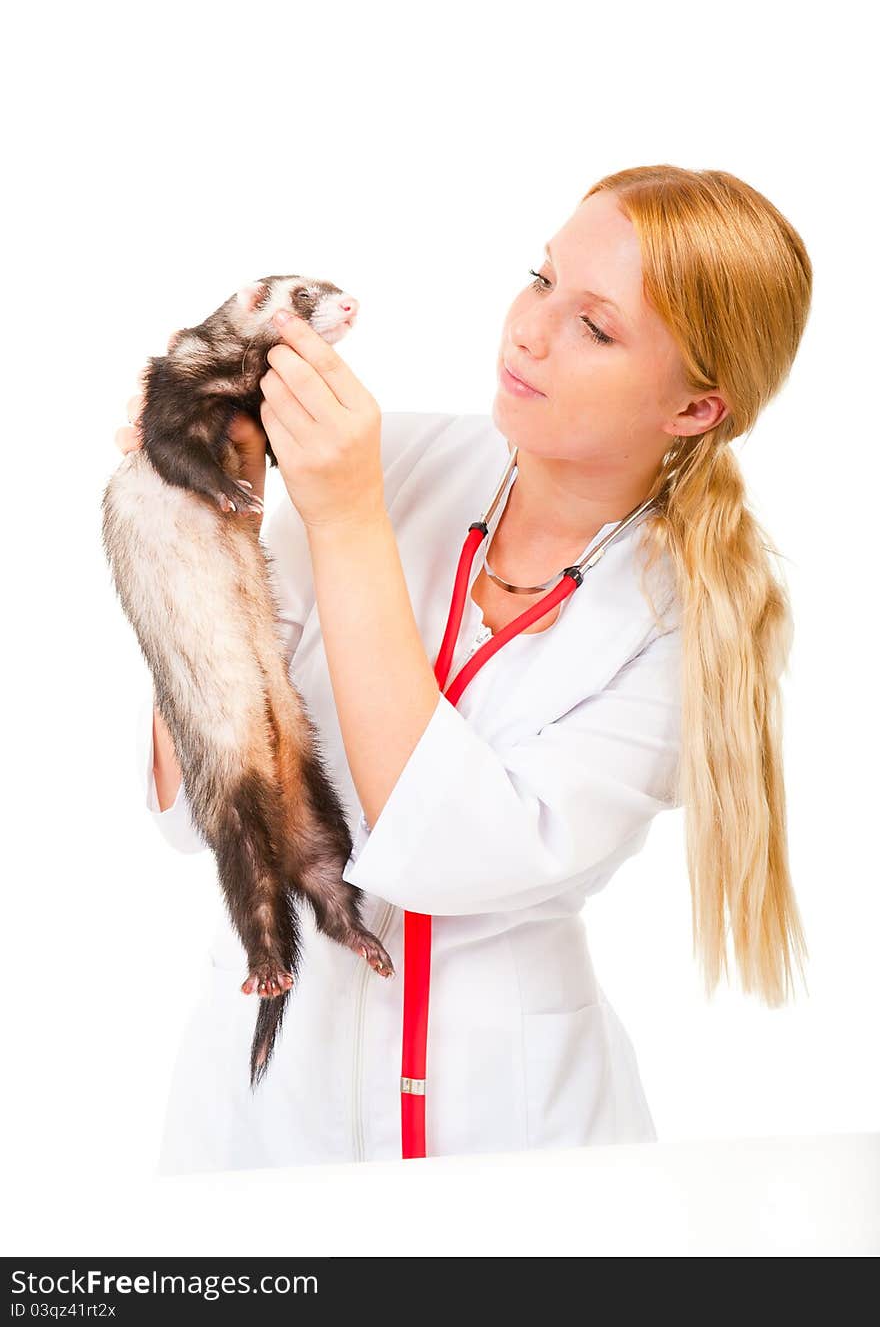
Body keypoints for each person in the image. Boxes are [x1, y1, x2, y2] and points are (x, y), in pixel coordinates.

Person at [116, 165, 811, 1174]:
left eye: (595, 327)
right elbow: (199, 809)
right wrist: (204, 519)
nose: (528, 331)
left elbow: (440, 854)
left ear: (696, 410)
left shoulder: (691, 622)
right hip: (261, 1125)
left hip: (517, 1142)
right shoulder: (384, 463)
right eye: (539, 279)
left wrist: (347, 522)